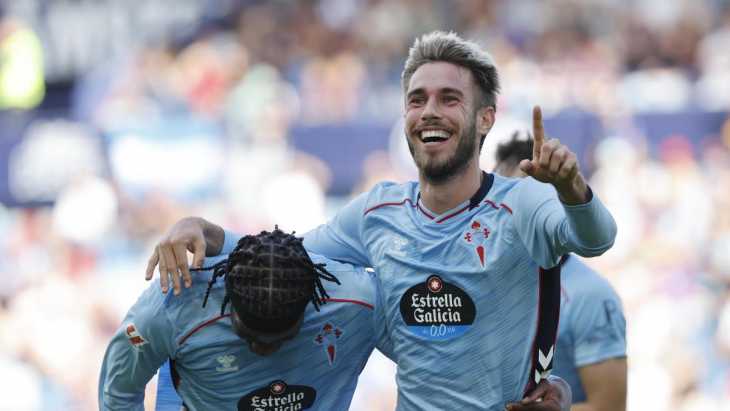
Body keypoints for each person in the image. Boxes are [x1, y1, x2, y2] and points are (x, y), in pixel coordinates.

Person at [146, 31, 615, 410]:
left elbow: (597, 238)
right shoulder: (377, 212)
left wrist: (572, 188)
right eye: (417, 100)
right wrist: (207, 231)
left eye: (450, 99)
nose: (429, 111)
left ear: (485, 118)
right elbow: (287, 258)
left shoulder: (524, 203)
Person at [99, 228, 381, 410]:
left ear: (310, 306)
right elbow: (120, 394)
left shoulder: (360, 301)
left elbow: (411, 357)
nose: (262, 348)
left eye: (282, 338)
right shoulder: (170, 309)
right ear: (227, 298)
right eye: (248, 334)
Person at [494, 134, 628, 411]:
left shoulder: (590, 295)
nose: (504, 211)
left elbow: (609, 406)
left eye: (521, 199)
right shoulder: (484, 275)